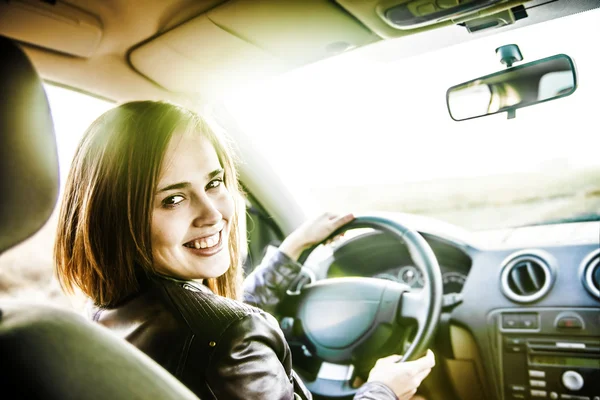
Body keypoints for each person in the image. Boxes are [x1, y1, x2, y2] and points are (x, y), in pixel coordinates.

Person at [54, 101, 435, 400]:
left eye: (215, 182)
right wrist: (382, 389)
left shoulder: (106, 311)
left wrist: (291, 250)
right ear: (116, 217)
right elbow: (224, 334)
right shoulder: (232, 337)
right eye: (173, 199)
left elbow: (208, 329)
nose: (213, 213)